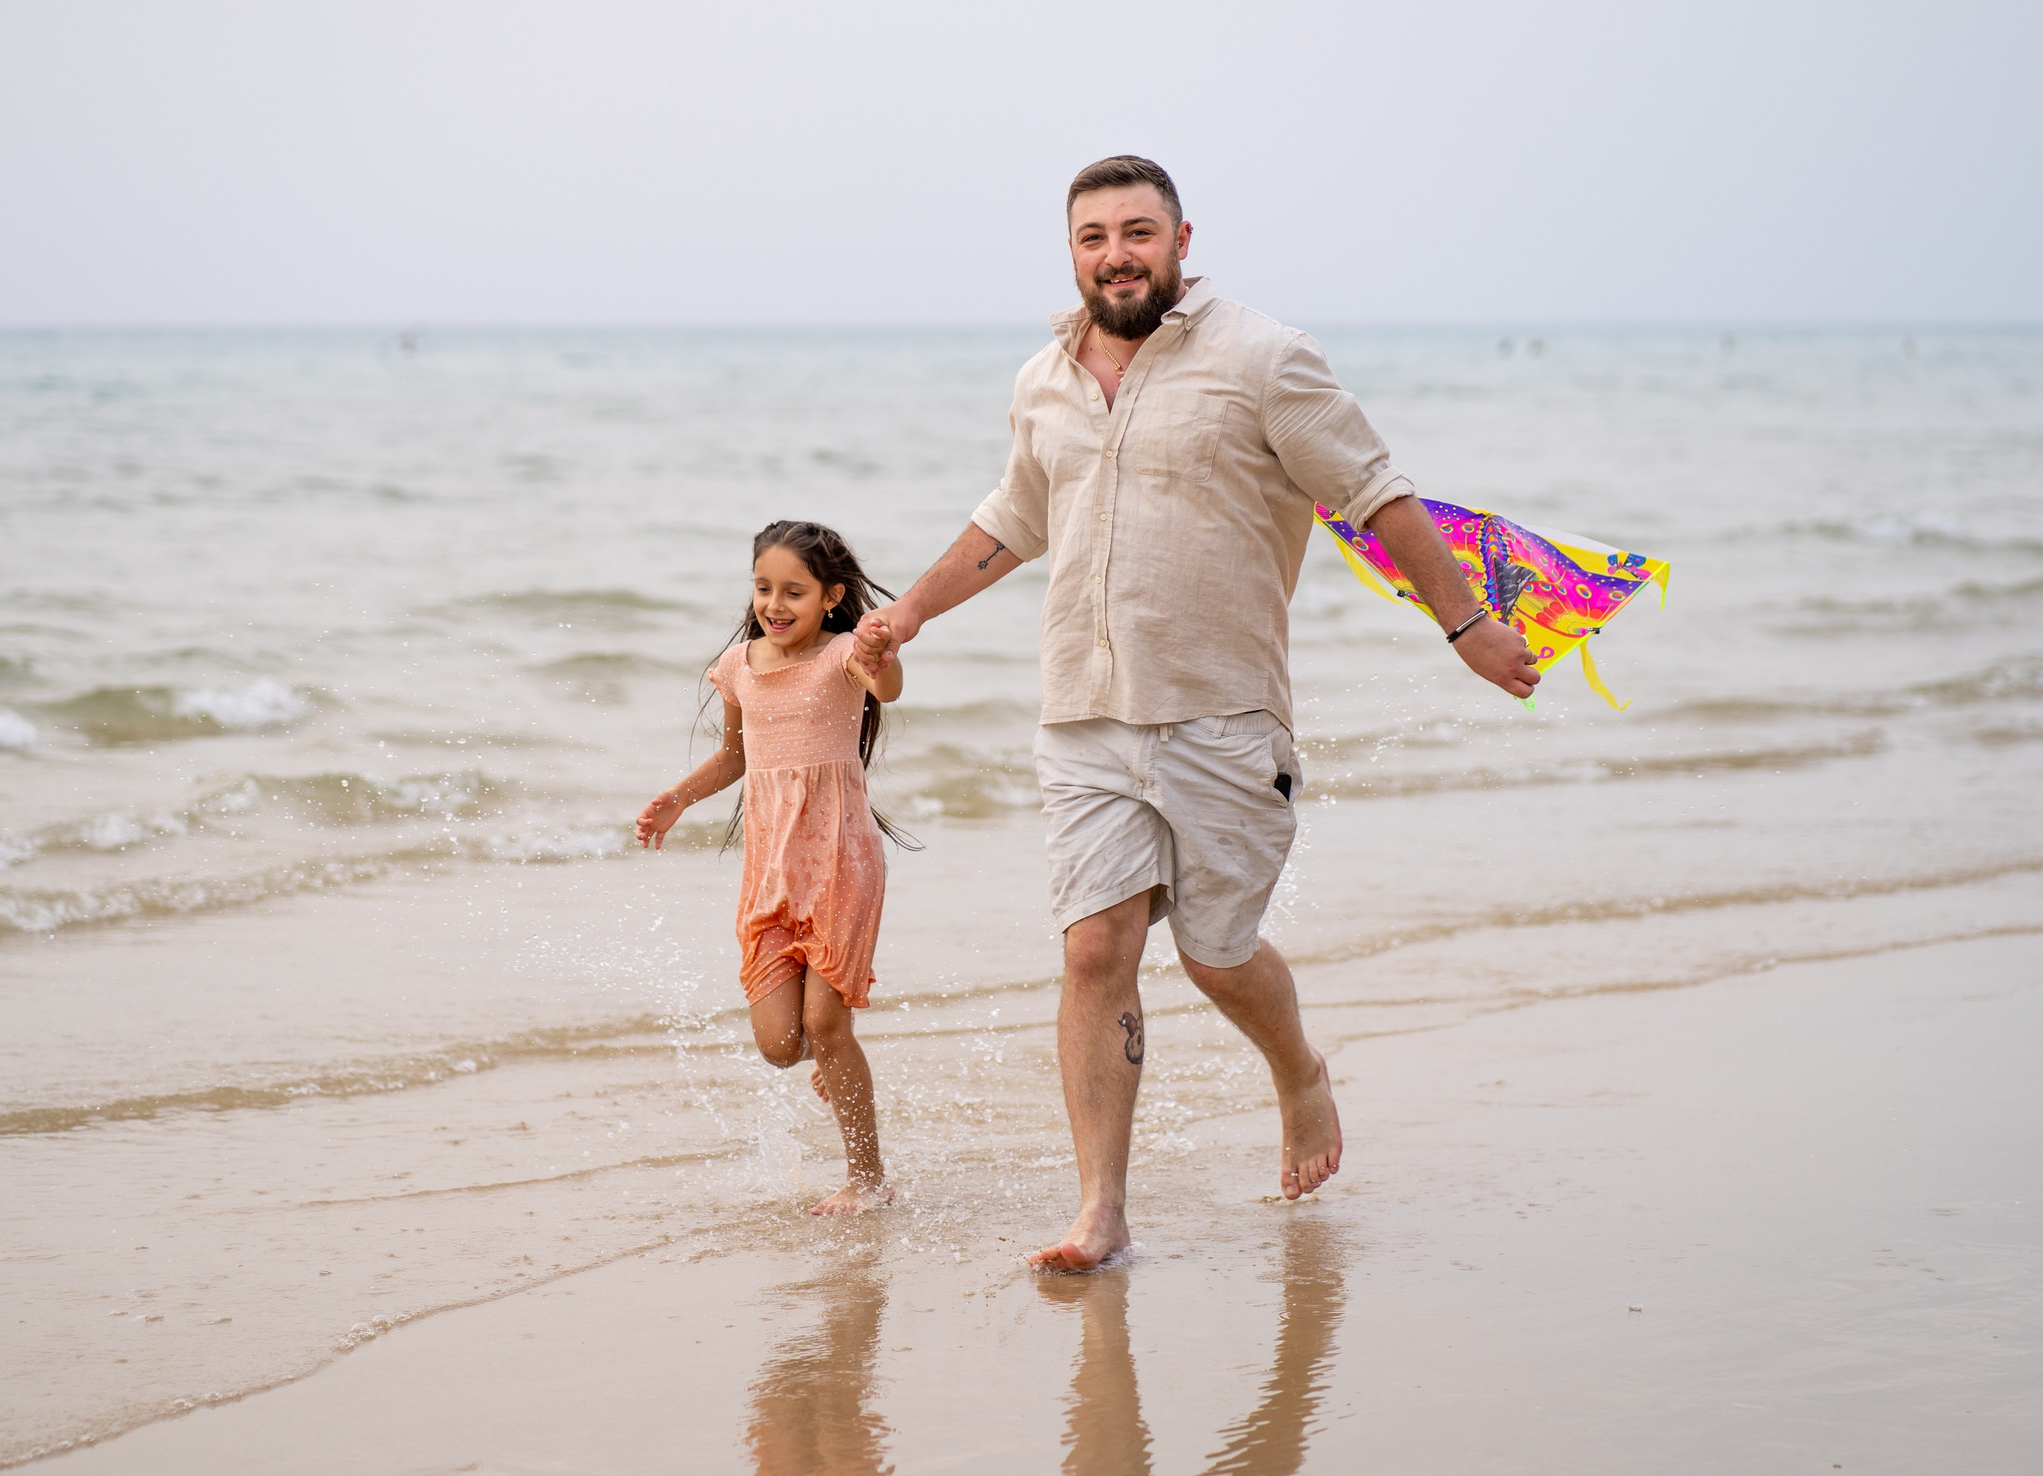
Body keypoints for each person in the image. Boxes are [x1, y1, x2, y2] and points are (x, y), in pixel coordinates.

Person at [855, 156, 1539, 1270]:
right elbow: (1014, 515)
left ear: (1181, 238)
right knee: (1095, 952)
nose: (1114, 254)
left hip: (1222, 712)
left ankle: (1298, 1072)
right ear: (1069, 252)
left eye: (1136, 232)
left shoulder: (1264, 358)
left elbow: (1376, 493)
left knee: (1218, 959)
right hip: (1082, 709)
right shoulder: (1044, 379)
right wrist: (914, 611)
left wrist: (1466, 629)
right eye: (1091, 237)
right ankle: (1101, 1211)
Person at [637, 520, 908, 1214]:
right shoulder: (739, 666)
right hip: (772, 868)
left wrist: (882, 647)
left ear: (831, 597)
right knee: (781, 1043)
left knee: (826, 1021)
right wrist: (677, 798)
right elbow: (735, 757)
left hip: (843, 860)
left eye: (794, 590)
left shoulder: (844, 653)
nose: (774, 603)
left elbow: (889, 688)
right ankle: (833, 1056)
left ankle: (867, 1178)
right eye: (764, 587)